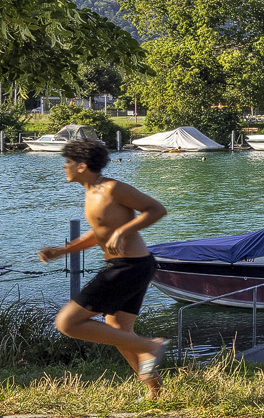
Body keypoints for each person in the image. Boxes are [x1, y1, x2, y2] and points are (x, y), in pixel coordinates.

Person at [36, 140, 168, 400]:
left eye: (68, 162)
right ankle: (155, 391)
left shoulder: (113, 188)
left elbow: (156, 210)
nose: (64, 166)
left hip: (128, 267)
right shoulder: (92, 192)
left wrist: (124, 230)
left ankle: (150, 346)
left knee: (67, 322)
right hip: (132, 266)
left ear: (82, 166)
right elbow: (99, 234)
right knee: (119, 332)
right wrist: (62, 251)